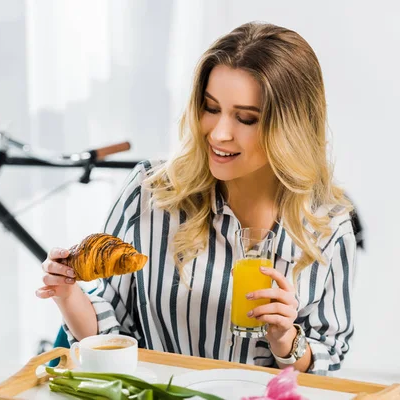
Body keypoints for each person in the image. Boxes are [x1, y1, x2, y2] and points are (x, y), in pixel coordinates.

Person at [36, 21, 356, 375]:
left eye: (246, 118)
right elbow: (113, 334)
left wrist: (287, 340)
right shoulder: (150, 193)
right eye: (211, 108)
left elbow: (329, 358)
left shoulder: (328, 226)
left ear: (291, 126)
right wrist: (67, 295)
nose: (219, 133)